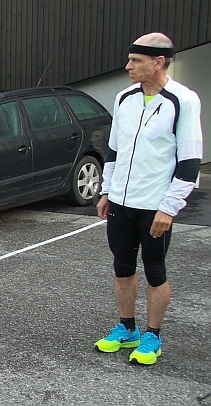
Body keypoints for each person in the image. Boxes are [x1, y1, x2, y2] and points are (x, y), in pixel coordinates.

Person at [94, 33, 203, 365]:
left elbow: (190, 161)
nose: (128, 66)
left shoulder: (183, 100)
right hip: (122, 203)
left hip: (155, 206)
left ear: (159, 62)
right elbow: (113, 148)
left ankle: (152, 335)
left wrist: (169, 207)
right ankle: (127, 328)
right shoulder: (124, 97)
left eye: (135, 60)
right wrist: (106, 191)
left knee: (155, 270)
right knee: (122, 267)